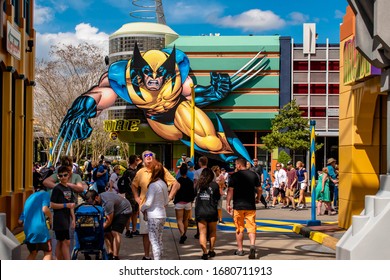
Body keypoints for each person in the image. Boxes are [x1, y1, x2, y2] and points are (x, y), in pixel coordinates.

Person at [131, 150, 180, 260]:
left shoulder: (160, 170)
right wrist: (136, 198)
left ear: (154, 158)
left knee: (156, 238)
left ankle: (156, 258)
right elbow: (133, 185)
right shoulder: (140, 172)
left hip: (154, 210)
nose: (148, 157)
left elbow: (176, 184)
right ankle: (147, 255)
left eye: (150, 155)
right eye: (145, 156)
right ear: (143, 159)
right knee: (145, 233)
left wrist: (169, 198)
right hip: (145, 209)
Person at [226, 158, 261, 259]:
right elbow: (259, 189)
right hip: (250, 205)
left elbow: (230, 191)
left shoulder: (234, 176)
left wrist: (228, 204)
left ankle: (240, 250)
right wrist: (258, 198)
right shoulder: (254, 175)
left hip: (238, 206)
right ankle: (252, 245)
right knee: (251, 227)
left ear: (239, 165)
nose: (235, 166)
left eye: (236, 164)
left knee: (239, 228)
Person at [85, 190, 132, 260]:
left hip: (124, 210)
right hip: (114, 210)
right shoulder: (99, 199)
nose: (92, 205)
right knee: (106, 232)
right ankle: (110, 252)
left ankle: (115, 256)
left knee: (115, 232)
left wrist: (98, 229)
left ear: (97, 197)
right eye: (90, 203)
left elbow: (109, 221)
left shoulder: (107, 202)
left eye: (92, 202)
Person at [140, 161, 169, 260]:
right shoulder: (164, 184)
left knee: (153, 240)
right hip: (162, 215)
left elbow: (148, 203)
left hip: (153, 215)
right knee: (159, 239)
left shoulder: (153, 185)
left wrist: (142, 208)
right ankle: (160, 258)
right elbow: (166, 201)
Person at [18, 184, 52, 260]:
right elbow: (45, 209)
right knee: (48, 252)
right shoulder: (45, 194)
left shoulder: (29, 199)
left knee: (33, 253)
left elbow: (20, 221)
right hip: (40, 230)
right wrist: (51, 217)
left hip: (29, 231)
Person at [50, 165, 76, 260]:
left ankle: (58, 259)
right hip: (59, 219)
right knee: (65, 242)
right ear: (58, 177)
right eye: (61, 176)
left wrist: (73, 218)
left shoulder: (69, 189)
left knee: (61, 242)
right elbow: (52, 204)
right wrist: (65, 206)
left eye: (65, 175)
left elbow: (71, 205)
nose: (63, 177)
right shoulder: (57, 188)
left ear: (68, 175)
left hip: (66, 219)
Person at [195, 168, 220, 260]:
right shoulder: (214, 185)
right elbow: (217, 197)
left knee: (202, 233)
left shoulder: (198, 185)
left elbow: (194, 195)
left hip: (200, 211)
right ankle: (211, 250)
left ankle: (204, 253)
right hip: (212, 211)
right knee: (213, 231)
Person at [174, 163, 195, 244]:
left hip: (179, 202)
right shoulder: (190, 181)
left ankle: (182, 234)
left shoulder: (178, 180)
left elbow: (175, 191)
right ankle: (184, 233)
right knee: (185, 219)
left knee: (179, 220)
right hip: (188, 203)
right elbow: (192, 192)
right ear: (186, 171)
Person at [124, 155, 141, 238]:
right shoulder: (131, 172)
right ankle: (128, 230)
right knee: (130, 213)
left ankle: (133, 229)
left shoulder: (129, 171)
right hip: (131, 195)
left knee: (135, 212)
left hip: (134, 195)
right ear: (134, 161)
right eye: (137, 159)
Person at [192, 156, 208, 237]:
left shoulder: (197, 172)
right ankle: (208, 233)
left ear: (199, 163)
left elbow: (195, 184)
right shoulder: (212, 172)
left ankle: (199, 232)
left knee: (199, 214)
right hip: (209, 195)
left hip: (199, 195)